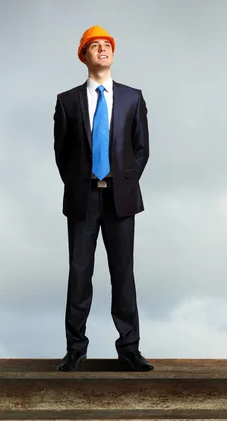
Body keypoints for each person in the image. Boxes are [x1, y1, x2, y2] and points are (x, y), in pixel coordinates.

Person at [54, 25, 153, 372]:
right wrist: (80, 182)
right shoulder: (67, 101)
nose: (102, 50)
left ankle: (129, 348)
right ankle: (75, 348)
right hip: (83, 198)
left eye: (106, 45)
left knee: (122, 273)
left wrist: (124, 181)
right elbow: (61, 152)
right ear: (84, 55)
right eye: (94, 46)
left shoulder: (132, 97)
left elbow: (141, 149)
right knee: (79, 273)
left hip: (120, 199)